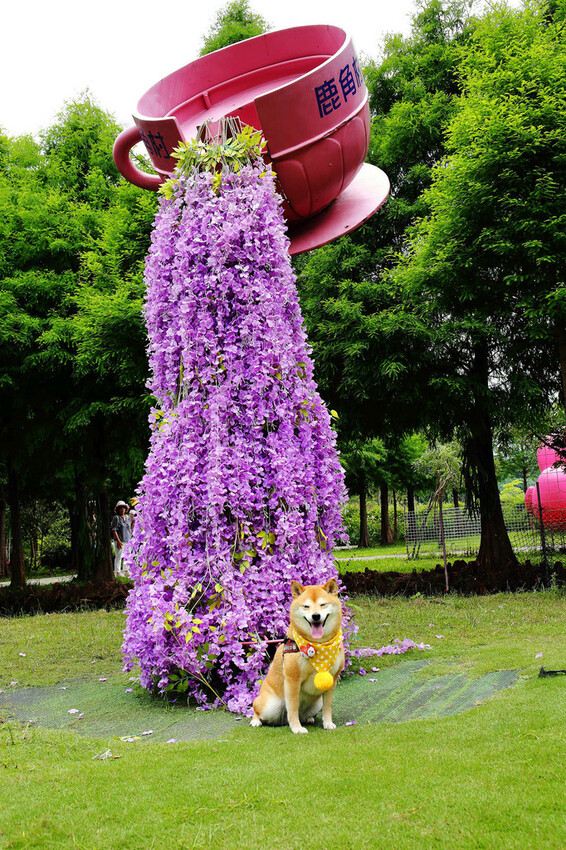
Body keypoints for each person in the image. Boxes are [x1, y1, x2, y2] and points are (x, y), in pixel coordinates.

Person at [111, 500, 132, 577]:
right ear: (117, 509)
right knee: (119, 556)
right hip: (120, 540)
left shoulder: (128, 517)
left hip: (128, 540)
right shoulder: (116, 518)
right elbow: (114, 530)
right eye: (120, 508)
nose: (122, 509)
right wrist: (118, 541)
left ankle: (126, 570)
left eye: (123, 508)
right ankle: (117, 572)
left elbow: (129, 529)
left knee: (127, 556)